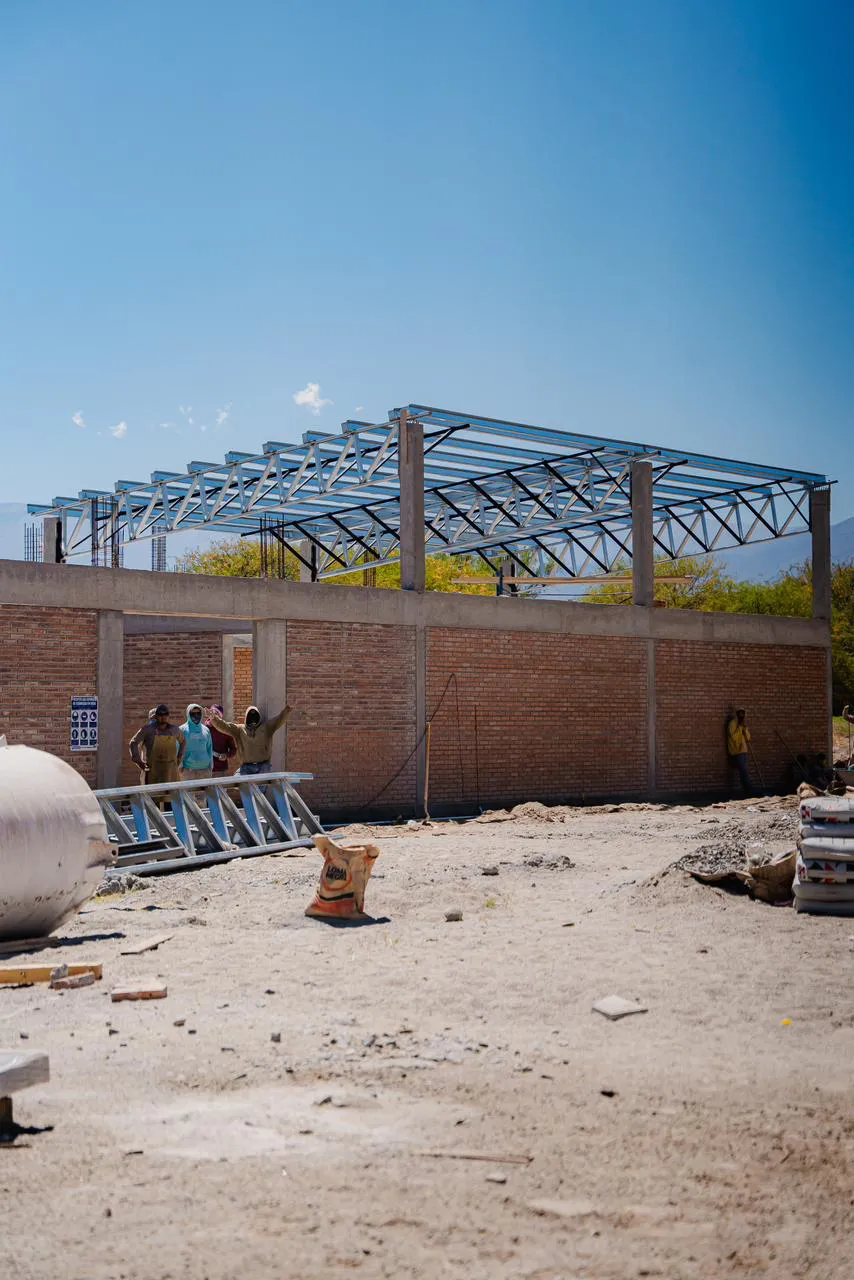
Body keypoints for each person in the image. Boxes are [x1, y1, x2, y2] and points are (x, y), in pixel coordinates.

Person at [206, 703, 292, 775]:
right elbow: (224, 726)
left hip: (263, 766)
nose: (252, 718)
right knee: (243, 789)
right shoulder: (239, 729)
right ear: (246, 717)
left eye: (255, 716)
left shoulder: (266, 727)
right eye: (250, 716)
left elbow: (279, 720)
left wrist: (287, 710)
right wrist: (213, 718)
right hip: (246, 767)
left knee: (259, 792)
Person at [129, 704, 185, 785]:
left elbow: (183, 741)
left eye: (165, 714)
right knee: (152, 795)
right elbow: (133, 742)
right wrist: (138, 760)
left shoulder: (173, 730)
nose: (162, 717)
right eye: (158, 716)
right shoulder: (147, 730)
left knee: (171, 796)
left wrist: (179, 756)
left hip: (170, 771)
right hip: (152, 771)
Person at [179, 703, 213, 780]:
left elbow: (209, 748)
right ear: (188, 714)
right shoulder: (182, 730)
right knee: (188, 792)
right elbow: (178, 749)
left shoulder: (206, 730)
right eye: (193, 713)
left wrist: (211, 766)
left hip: (205, 770)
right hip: (188, 771)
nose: (196, 715)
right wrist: (180, 766)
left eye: (198, 713)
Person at [726, 706, 752, 797]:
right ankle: (749, 791)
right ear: (737, 714)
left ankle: (746, 791)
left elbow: (748, 738)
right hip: (737, 751)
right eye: (740, 714)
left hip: (744, 751)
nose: (742, 716)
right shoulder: (732, 723)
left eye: (743, 714)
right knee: (744, 771)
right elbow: (732, 737)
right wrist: (740, 729)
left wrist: (744, 728)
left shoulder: (743, 724)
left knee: (743, 772)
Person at [206, 704, 237, 778]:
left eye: (216, 714)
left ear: (220, 716)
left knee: (220, 789)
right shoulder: (204, 728)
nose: (214, 716)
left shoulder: (225, 730)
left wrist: (226, 756)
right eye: (212, 713)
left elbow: (233, 749)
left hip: (220, 768)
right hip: (205, 768)